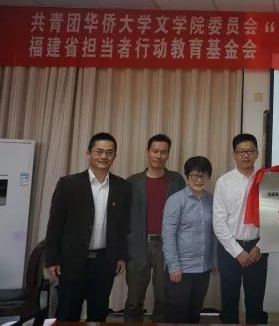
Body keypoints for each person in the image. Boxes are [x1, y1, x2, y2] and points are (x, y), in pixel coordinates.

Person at [45, 132, 131, 321]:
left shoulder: (122, 187)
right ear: (89, 153)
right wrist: (51, 259)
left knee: (98, 315)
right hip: (71, 261)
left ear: (114, 156)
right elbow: (55, 224)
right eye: (99, 151)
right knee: (68, 314)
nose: (104, 156)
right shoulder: (68, 184)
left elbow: (123, 227)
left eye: (109, 152)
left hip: (104, 262)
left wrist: (121, 256)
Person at [125, 134, 186, 322]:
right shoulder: (132, 181)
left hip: (167, 247)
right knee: (134, 300)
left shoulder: (177, 180)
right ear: (147, 152)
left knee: (164, 300)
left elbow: (185, 214)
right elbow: (123, 217)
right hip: (138, 246)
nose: (159, 156)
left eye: (163, 152)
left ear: (168, 154)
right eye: (155, 151)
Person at [213, 133, 268, 324]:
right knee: (229, 299)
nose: (246, 155)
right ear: (234, 154)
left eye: (250, 151)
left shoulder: (266, 180)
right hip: (230, 248)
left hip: (258, 247)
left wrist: (260, 246)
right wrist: (237, 252)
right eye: (241, 152)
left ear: (257, 153)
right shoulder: (223, 182)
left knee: (256, 299)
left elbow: (273, 218)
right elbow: (219, 222)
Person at [162, 156, 218, 324]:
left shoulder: (212, 201)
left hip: (203, 268)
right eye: (194, 175)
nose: (199, 180)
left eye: (203, 176)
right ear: (187, 176)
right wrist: (174, 266)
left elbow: (214, 233)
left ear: (209, 177)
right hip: (181, 270)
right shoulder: (176, 200)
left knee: (195, 313)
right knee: (178, 315)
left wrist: (214, 261)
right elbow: (168, 235)